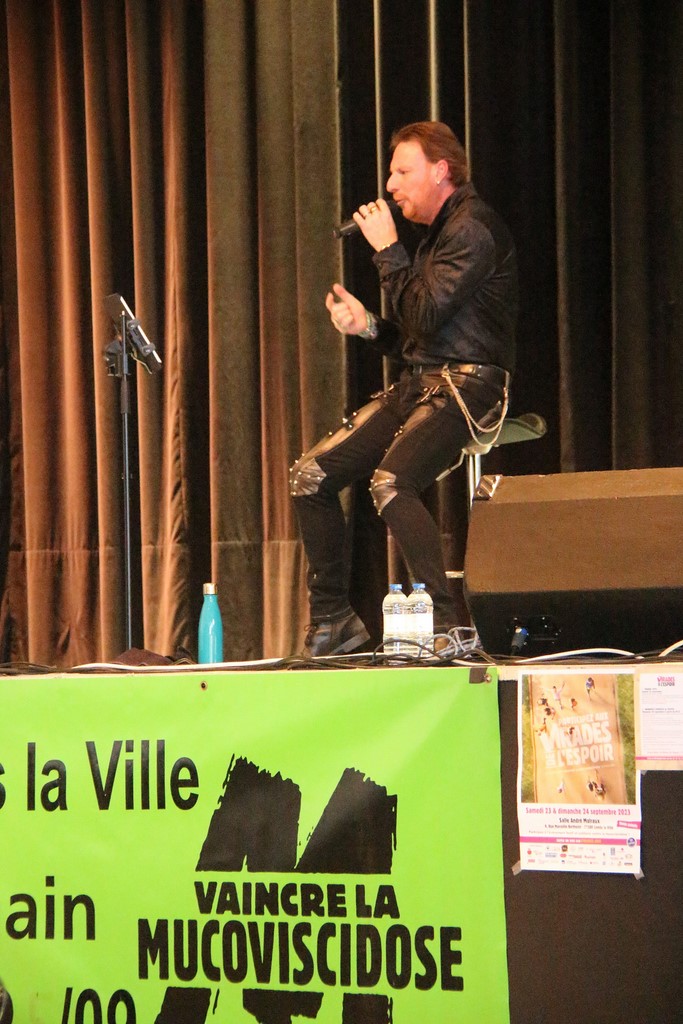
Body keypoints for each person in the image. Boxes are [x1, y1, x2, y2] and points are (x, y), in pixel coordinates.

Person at [290, 121, 518, 657]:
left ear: (441, 170)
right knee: (311, 476)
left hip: (470, 388)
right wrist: (367, 325)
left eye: (402, 172)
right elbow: (418, 336)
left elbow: (423, 313)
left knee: (392, 482)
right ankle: (333, 621)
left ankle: (448, 622)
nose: (390, 185)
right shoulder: (440, 236)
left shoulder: (471, 230)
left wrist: (388, 249)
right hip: (421, 385)